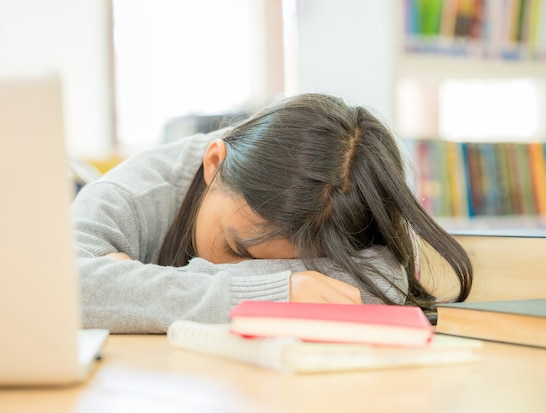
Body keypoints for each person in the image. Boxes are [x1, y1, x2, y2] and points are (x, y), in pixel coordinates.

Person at [72, 93, 472, 334]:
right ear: (213, 163)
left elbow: (384, 283)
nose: (236, 267)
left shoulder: (334, 200)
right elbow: (61, 285)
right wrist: (277, 293)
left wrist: (132, 285)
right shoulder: (137, 189)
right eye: (235, 248)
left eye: (296, 265)